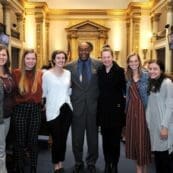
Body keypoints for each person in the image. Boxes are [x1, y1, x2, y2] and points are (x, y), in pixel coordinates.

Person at [66, 42, 101, 173]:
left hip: (93, 107)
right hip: (77, 107)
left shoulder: (99, 64)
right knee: (77, 138)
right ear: (77, 50)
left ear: (90, 50)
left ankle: (91, 162)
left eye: (86, 49)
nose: (83, 52)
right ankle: (78, 161)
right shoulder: (69, 66)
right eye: (81, 49)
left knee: (93, 138)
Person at [12, 49, 42, 173]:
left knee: (33, 141)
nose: (31, 61)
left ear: (36, 60)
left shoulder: (40, 74)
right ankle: (19, 168)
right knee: (19, 141)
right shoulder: (16, 73)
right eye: (28, 58)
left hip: (35, 110)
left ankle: (33, 168)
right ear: (23, 60)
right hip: (20, 110)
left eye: (33, 59)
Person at [42, 50, 73, 173]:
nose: (61, 60)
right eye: (58, 58)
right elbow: (44, 93)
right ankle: (56, 165)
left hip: (66, 109)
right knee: (56, 139)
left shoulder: (68, 73)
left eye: (63, 58)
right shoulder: (46, 75)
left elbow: (69, 90)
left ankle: (61, 162)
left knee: (63, 139)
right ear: (53, 60)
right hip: (53, 110)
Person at [97, 47, 126, 173]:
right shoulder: (99, 71)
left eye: (108, 57)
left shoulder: (120, 71)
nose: (106, 59)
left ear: (112, 57)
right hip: (103, 112)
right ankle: (107, 163)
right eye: (104, 57)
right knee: (105, 140)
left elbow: (124, 92)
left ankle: (115, 164)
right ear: (101, 58)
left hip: (116, 111)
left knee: (115, 141)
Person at [125, 52, 151, 173]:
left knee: (143, 140)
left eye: (136, 61)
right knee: (135, 140)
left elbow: (151, 93)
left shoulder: (146, 75)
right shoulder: (128, 76)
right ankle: (141, 169)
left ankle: (140, 170)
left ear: (139, 61)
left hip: (142, 109)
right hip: (131, 110)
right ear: (128, 63)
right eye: (131, 61)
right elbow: (127, 94)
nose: (133, 63)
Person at [146, 59, 173, 173]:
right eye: (150, 69)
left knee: (166, 160)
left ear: (161, 70)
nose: (152, 71)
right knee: (158, 158)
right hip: (155, 126)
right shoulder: (152, 82)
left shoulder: (167, 83)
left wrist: (165, 127)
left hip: (163, 126)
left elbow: (170, 106)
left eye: (155, 69)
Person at [0, 44, 15, 173]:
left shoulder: (8, 73)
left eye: (4, 54)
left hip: (7, 115)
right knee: (1, 148)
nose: (1, 57)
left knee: (2, 144)